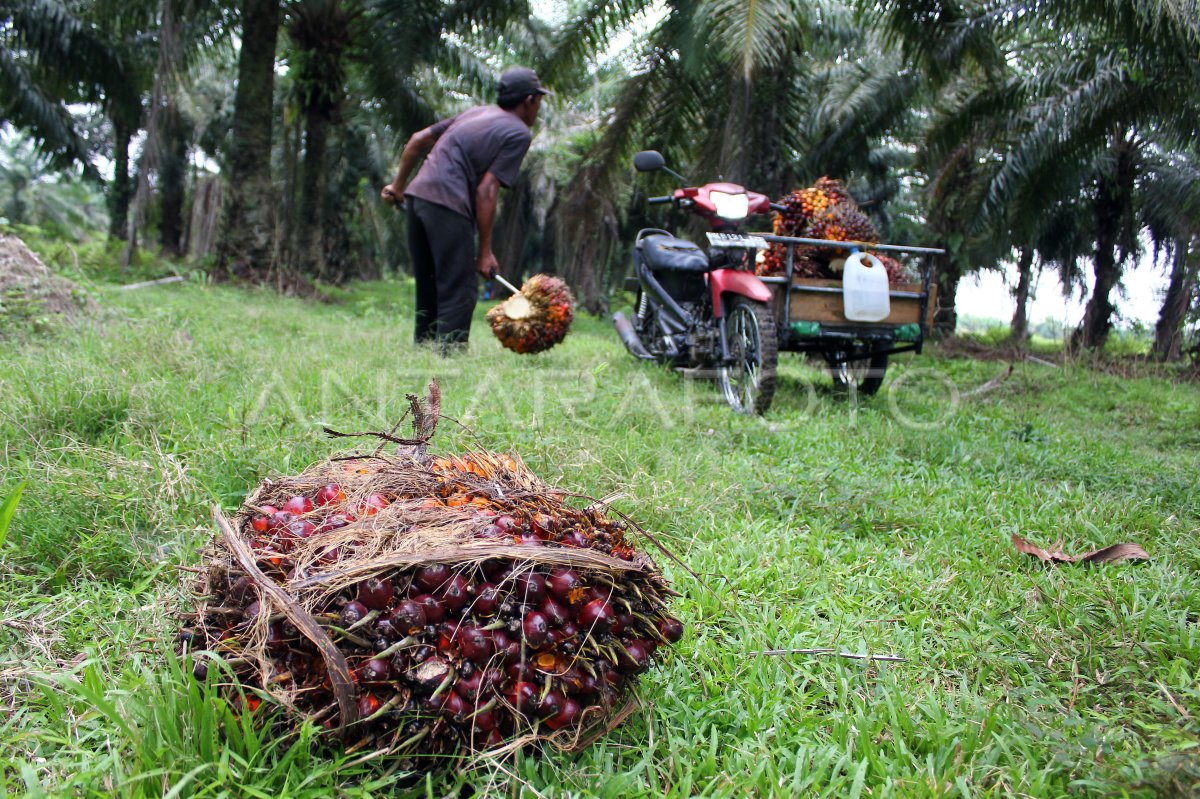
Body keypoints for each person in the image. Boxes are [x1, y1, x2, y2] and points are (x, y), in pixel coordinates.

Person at [381, 66, 549, 350]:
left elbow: (418, 139)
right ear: (530, 100)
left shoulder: (475, 113)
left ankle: (423, 350)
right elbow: (487, 189)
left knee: (429, 283)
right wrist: (484, 251)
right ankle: (450, 357)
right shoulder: (518, 132)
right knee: (458, 289)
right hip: (449, 204)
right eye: (539, 101)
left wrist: (398, 187)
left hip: (418, 198)